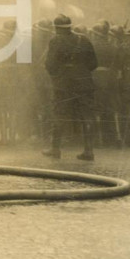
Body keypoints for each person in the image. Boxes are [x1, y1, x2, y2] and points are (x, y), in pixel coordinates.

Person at [43, 13, 97, 161]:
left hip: (64, 83)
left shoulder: (55, 41)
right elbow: (93, 63)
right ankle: (88, 150)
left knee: (59, 114)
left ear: (56, 28)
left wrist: (58, 74)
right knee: (87, 116)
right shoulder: (84, 39)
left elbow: (50, 65)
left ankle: (55, 149)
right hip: (84, 82)